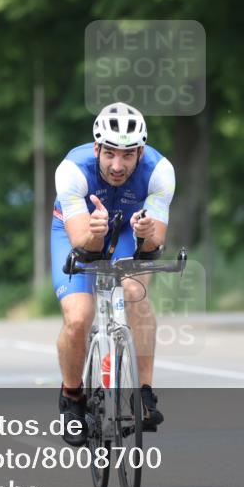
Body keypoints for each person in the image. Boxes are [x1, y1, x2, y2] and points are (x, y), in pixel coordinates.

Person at [50, 102, 175, 446]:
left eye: (127, 156)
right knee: (79, 317)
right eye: (109, 154)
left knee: (135, 294)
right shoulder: (72, 170)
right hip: (77, 230)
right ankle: (72, 396)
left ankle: (145, 395)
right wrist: (95, 231)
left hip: (127, 233)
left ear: (141, 152)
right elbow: (82, 245)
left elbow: (155, 245)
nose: (117, 166)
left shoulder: (159, 172)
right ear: (96, 149)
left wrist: (147, 232)